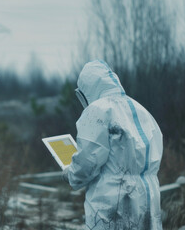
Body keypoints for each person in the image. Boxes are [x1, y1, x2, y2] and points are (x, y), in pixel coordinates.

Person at [63, 60, 163, 229]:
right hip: (148, 196)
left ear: (86, 89)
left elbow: (87, 162)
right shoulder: (140, 109)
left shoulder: (98, 110)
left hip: (112, 200)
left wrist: (70, 174)